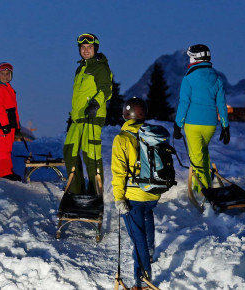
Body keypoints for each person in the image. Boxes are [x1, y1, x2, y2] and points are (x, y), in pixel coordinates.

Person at [112, 98, 158, 290]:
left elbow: (119, 172)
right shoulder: (153, 135)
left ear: (125, 115)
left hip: (134, 197)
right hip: (153, 194)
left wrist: (119, 198)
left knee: (137, 238)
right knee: (147, 220)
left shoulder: (122, 139)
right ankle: (151, 252)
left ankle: (143, 282)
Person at [173, 44, 230, 195]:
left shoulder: (189, 78)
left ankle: (204, 191)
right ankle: (203, 185)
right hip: (210, 124)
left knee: (196, 159)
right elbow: (222, 104)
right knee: (202, 153)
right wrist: (225, 126)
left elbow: (184, 103)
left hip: (193, 124)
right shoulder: (216, 78)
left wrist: (177, 125)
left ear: (195, 58)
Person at [63, 33, 113, 195]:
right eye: (83, 47)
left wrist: (95, 103)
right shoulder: (81, 68)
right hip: (77, 118)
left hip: (92, 115)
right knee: (69, 152)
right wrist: (72, 116)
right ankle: (76, 190)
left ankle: (94, 192)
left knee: (91, 155)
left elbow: (106, 89)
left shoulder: (100, 67)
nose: (86, 50)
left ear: (95, 48)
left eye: (89, 47)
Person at [0, 62, 22, 181]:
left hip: (10, 122)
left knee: (4, 147)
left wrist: (17, 125)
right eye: (2, 74)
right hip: (4, 123)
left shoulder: (8, 88)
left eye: (8, 74)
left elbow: (14, 109)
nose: (5, 76)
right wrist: (5, 124)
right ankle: (5, 173)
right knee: (5, 149)